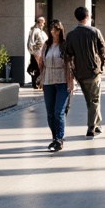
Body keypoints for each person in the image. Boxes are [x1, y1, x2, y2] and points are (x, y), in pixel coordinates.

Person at [64, 6, 105, 137]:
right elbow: (103, 50)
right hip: (94, 70)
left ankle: (98, 124)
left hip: (80, 72)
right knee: (94, 99)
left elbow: (68, 55)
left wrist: (71, 71)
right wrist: (102, 65)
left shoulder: (71, 35)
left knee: (90, 100)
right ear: (87, 17)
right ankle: (91, 127)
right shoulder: (95, 32)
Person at [37, 20, 75, 152]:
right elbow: (42, 62)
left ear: (61, 30)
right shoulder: (46, 45)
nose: (54, 31)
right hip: (48, 81)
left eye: (57, 29)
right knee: (50, 113)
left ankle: (59, 139)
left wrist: (71, 82)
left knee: (59, 112)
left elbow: (71, 64)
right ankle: (54, 138)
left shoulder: (64, 45)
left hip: (62, 81)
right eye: (52, 29)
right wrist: (41, 78)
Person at [27, 16, 48, 90]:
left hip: (43, 52)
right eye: (43, 22)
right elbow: (31, 43)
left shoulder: (41, 32)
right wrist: (33, 53)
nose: (43, 24)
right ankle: (36, 83)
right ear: (40, 22)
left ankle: (40, 82)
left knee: (41, 69)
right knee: (37, 69)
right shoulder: (34, 31)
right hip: (37, 53)